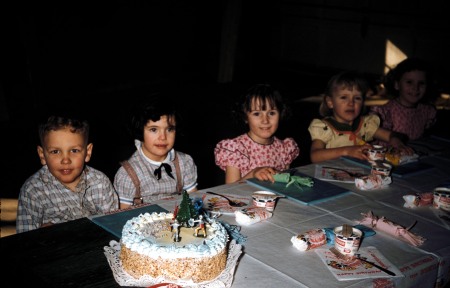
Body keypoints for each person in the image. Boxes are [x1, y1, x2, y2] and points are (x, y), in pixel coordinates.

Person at [16, 115, 119, 233]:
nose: (66, 160)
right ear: (42, 155)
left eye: (74, 151)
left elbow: (113, 226)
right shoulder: (33, 191)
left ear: (87, 152)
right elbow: (24, 241)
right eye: (55, 151)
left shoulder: (100, 183)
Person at [308, 70, 414, 163]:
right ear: (330, 102)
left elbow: (392, 135)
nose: (351, 103)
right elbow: (315, 156)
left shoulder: (365, 125)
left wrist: (397, 142)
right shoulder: (325, 128)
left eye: (357, 98)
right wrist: (347, 151)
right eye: (344, 97)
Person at [114, 95, 198, 209]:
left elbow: (194, 200)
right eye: (154, 129)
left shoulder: (184, 162)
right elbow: (123, 215)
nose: (163, 137)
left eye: (169, 129)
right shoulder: (127, 174)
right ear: (140, 130)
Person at [214, 83, 300, 183]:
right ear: (245, 116)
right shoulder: (236, 149)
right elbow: (230, 189)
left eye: (271, 113)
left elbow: (285, 182)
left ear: (281, 114)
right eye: (257, 114)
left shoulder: (285, 148)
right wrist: (253, 173)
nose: (265, 120)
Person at [370, 57, 437, 142]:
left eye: (421, 83)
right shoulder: (386, 112)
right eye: (409, 82)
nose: (415, 88)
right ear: (397, 85)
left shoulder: (427, 111)